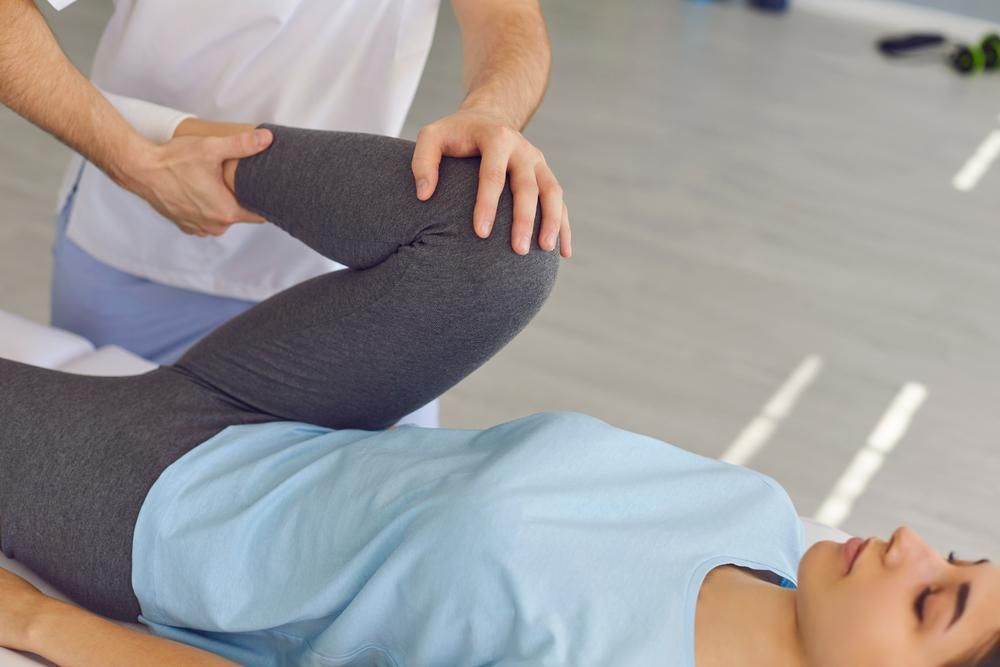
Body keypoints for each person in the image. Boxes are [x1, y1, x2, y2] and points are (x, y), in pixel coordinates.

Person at [0, 124, 997, 667]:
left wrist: (36, 623)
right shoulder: (762, 521)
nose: (910, 544)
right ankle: (191, 153)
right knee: (502, 235)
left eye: (932, 601)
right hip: (299, 417)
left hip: (161, 510)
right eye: (956, 556)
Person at [1, 0, 570, 428]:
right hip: (138, 251)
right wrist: (133, 162)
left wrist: (492, 108)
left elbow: (508, 16)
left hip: (350, 279)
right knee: (104, 471)